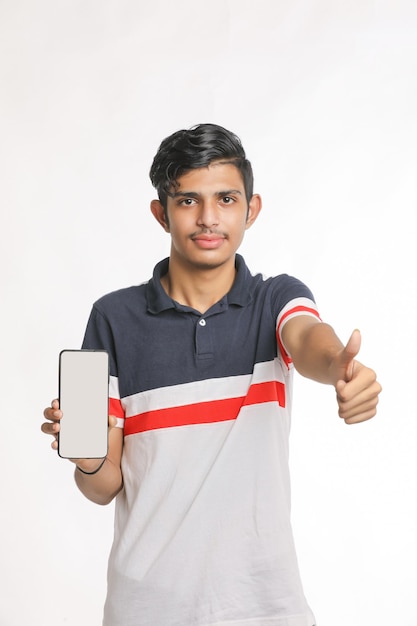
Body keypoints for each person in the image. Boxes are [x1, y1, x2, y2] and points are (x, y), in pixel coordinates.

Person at [42, 123, 381, 626]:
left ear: (252, 209)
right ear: (161, 213)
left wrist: (339, 368)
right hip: (146, 608)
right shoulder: (112, 318)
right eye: (187, 201)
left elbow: (309, 337)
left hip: (266, 607)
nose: (208, 219)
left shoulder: (274, 299)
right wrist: (89, 460)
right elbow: (101, 486)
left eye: (226, 199)